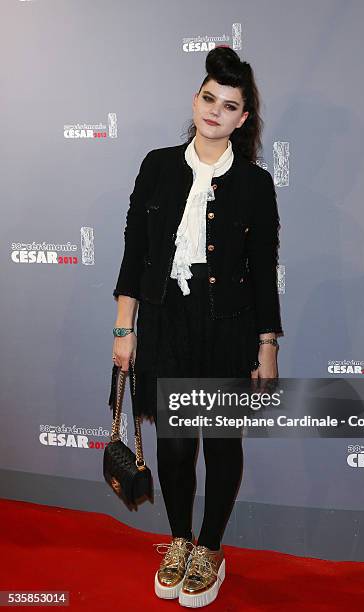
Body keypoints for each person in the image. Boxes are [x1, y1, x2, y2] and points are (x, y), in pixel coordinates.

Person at [111, 46, 283, 608]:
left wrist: (266, 346)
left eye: (229, 105)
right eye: (209, 97)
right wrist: (124, 328)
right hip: (165, 323)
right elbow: (135, 252)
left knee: (221, 443)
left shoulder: (256, 185)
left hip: (228, 328)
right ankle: (180, 539)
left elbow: (262, 273)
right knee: (176, 444)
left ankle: (211, 548)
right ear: (196, 100)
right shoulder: (157, 165)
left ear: (243, 119)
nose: (215, 110)